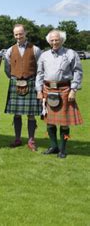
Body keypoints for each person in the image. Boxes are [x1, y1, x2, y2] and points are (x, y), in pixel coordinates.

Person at [36, 30, 83, 158]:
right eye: (52, 40)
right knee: (49, 122)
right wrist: (39, 90)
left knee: (64, 123)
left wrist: (73, 89)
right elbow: (39, 74)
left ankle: (63, 149)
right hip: (47, 90)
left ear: (62, 40)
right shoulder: (44, 55)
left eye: (57, 40)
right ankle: (53, 146)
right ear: (49, 41)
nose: (54, 42)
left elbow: (77, 72)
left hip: (64, 90)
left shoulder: (70, 54)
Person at [4, 24, 42, 151]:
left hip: (31, 82)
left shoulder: (35, 49)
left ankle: (31, 140)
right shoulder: (10, 50)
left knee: (31, 114)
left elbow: (40, 69)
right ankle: (17, 139)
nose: (18, 36)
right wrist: (15, 78)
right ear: (14, 35)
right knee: (17, 114)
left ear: (25, 33)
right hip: (16, 82)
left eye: (21, 34)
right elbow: (7, 69)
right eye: (16, 34)